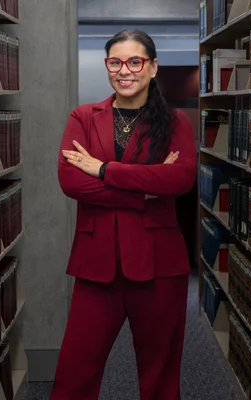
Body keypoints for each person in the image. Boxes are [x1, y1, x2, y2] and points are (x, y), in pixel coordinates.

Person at [51, 29, 197, 400]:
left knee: (160, 381)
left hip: (160, 267)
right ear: (107, 67)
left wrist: (104, 169)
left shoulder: (176, 122)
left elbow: (179, 179)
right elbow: (71, 182)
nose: (125, 70)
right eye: (115, 62)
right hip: (96, 266)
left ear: (152, 67)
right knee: (72, 379)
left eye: (135, 61)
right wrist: (145, 190)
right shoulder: (83, 117)